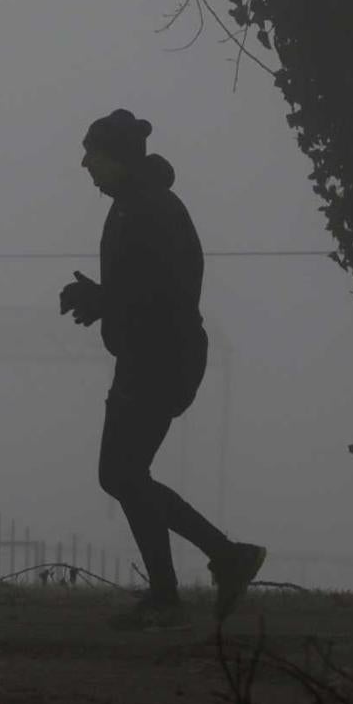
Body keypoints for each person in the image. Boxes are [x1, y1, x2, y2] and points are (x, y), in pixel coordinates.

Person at [60, 109, 265, 631]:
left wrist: (105, 300)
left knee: (121, 474)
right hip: (147, 355)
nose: (85, 163)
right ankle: (202, 572)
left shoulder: (152, 208)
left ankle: (201, 573)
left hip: (161, 358)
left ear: (120, 159)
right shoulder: (132, 206)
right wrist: (102, 300)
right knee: (125, 475)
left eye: (94, 154)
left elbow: (168, 290)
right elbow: (141, 287)